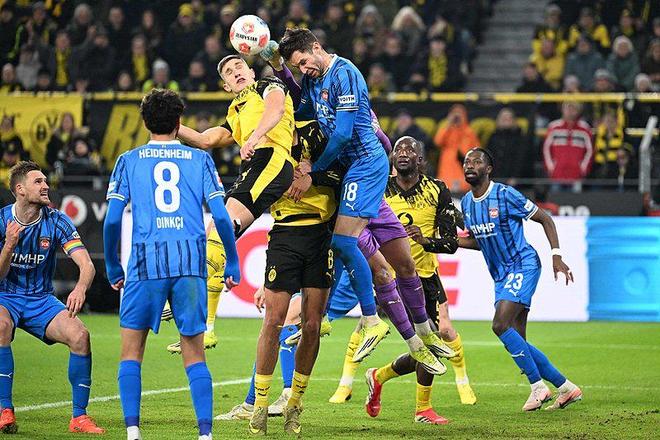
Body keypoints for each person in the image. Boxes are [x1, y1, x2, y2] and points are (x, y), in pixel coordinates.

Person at [103, 89, 240, 440]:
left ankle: (133, 431)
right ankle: (205, 434)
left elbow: (113, 219)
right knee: (194, 353)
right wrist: (232, 260)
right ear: (179, 123)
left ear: (145, 122)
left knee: (131, 352)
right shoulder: (200, 160)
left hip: (145, 264)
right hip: (189, 264)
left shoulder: (129, 160)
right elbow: (221, 216)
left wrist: (114, 266)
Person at [175, 55, 296, 354]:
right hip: (253, 166)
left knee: (222, 227)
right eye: (229, 72)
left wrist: (253, 138)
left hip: (271, 158)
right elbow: (205, 139)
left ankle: (200, 322)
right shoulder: (236, 109)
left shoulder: (268, 85)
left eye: (239, 66)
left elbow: (277, 109)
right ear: (226, 86)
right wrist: (168, 125)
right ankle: (207, 327)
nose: (236, 72)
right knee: (215, 233)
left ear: (251, 71)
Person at [361, 137, 477, 426]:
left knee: (430, 344)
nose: (403, 153)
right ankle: (421, 407)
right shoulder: (378, 186)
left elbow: (450, 242)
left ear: (421, 160)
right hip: (389, 278)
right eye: (398, 149)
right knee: (428, 340)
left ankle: (380, 377)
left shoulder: (437, 190)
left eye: (410, 150)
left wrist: (426, 241)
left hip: (425, 277)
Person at [459, 148, 582, 412]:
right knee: (516, 339)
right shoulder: (467, 203)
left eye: (477, 161)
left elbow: (545, 218)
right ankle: (566, 387)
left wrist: (556, 255)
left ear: (488, 169)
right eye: (467, 161)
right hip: (500, 275)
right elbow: (479, 242)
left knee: (500, 325)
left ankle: (538, 387)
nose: (470, 165)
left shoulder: (505, 195)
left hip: (523, 265)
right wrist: (448, 242)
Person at [0, 161, 104, 434]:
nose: (46, 186)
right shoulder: (1, 221)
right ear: (20, 189)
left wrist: (80, 288)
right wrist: (9, 245)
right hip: (5, 297)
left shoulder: (57, 220)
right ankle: (4, 410)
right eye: (38, 182)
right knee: (0, 326)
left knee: (80, 336)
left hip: (40, 300)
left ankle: (79, 418)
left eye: (45, 181)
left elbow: (87, 265)